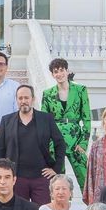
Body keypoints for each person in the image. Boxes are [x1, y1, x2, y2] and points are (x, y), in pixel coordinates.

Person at [0, 84, 66, 205]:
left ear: (33, 99)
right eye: (20, 98)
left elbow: (60, 143)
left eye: (26, 98)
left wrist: (56, 168)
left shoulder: (46, 119)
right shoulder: (6, 121)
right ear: (17, 100)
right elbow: (0, 150)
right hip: (16, 178)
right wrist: (3, 174)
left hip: (41, 178)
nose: (23, 101)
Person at [41, 58, 91, 191]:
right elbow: (43, 121)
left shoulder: (80, 90)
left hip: (75, 141)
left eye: (61, 70)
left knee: (86, 179)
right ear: (52, 74)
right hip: (55, 142)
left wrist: (84, 143)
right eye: (55, 71)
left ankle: (92, 209)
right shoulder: (47, 94)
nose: (59, 74)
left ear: (67, 71)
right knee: (57, 181)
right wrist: (47, 144)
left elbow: (87, 119)